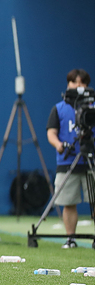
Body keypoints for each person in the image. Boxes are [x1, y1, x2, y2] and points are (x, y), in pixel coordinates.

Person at [46, 69, 92, 248]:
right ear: (68, 84)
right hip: (68, 161)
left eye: (82, 83)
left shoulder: (92, 107)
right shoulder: (59, 108)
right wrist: (59, 144)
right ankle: (70, 238)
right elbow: (51, 132)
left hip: (91, 160)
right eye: (74, 82)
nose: (78, 86)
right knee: (68, 202)